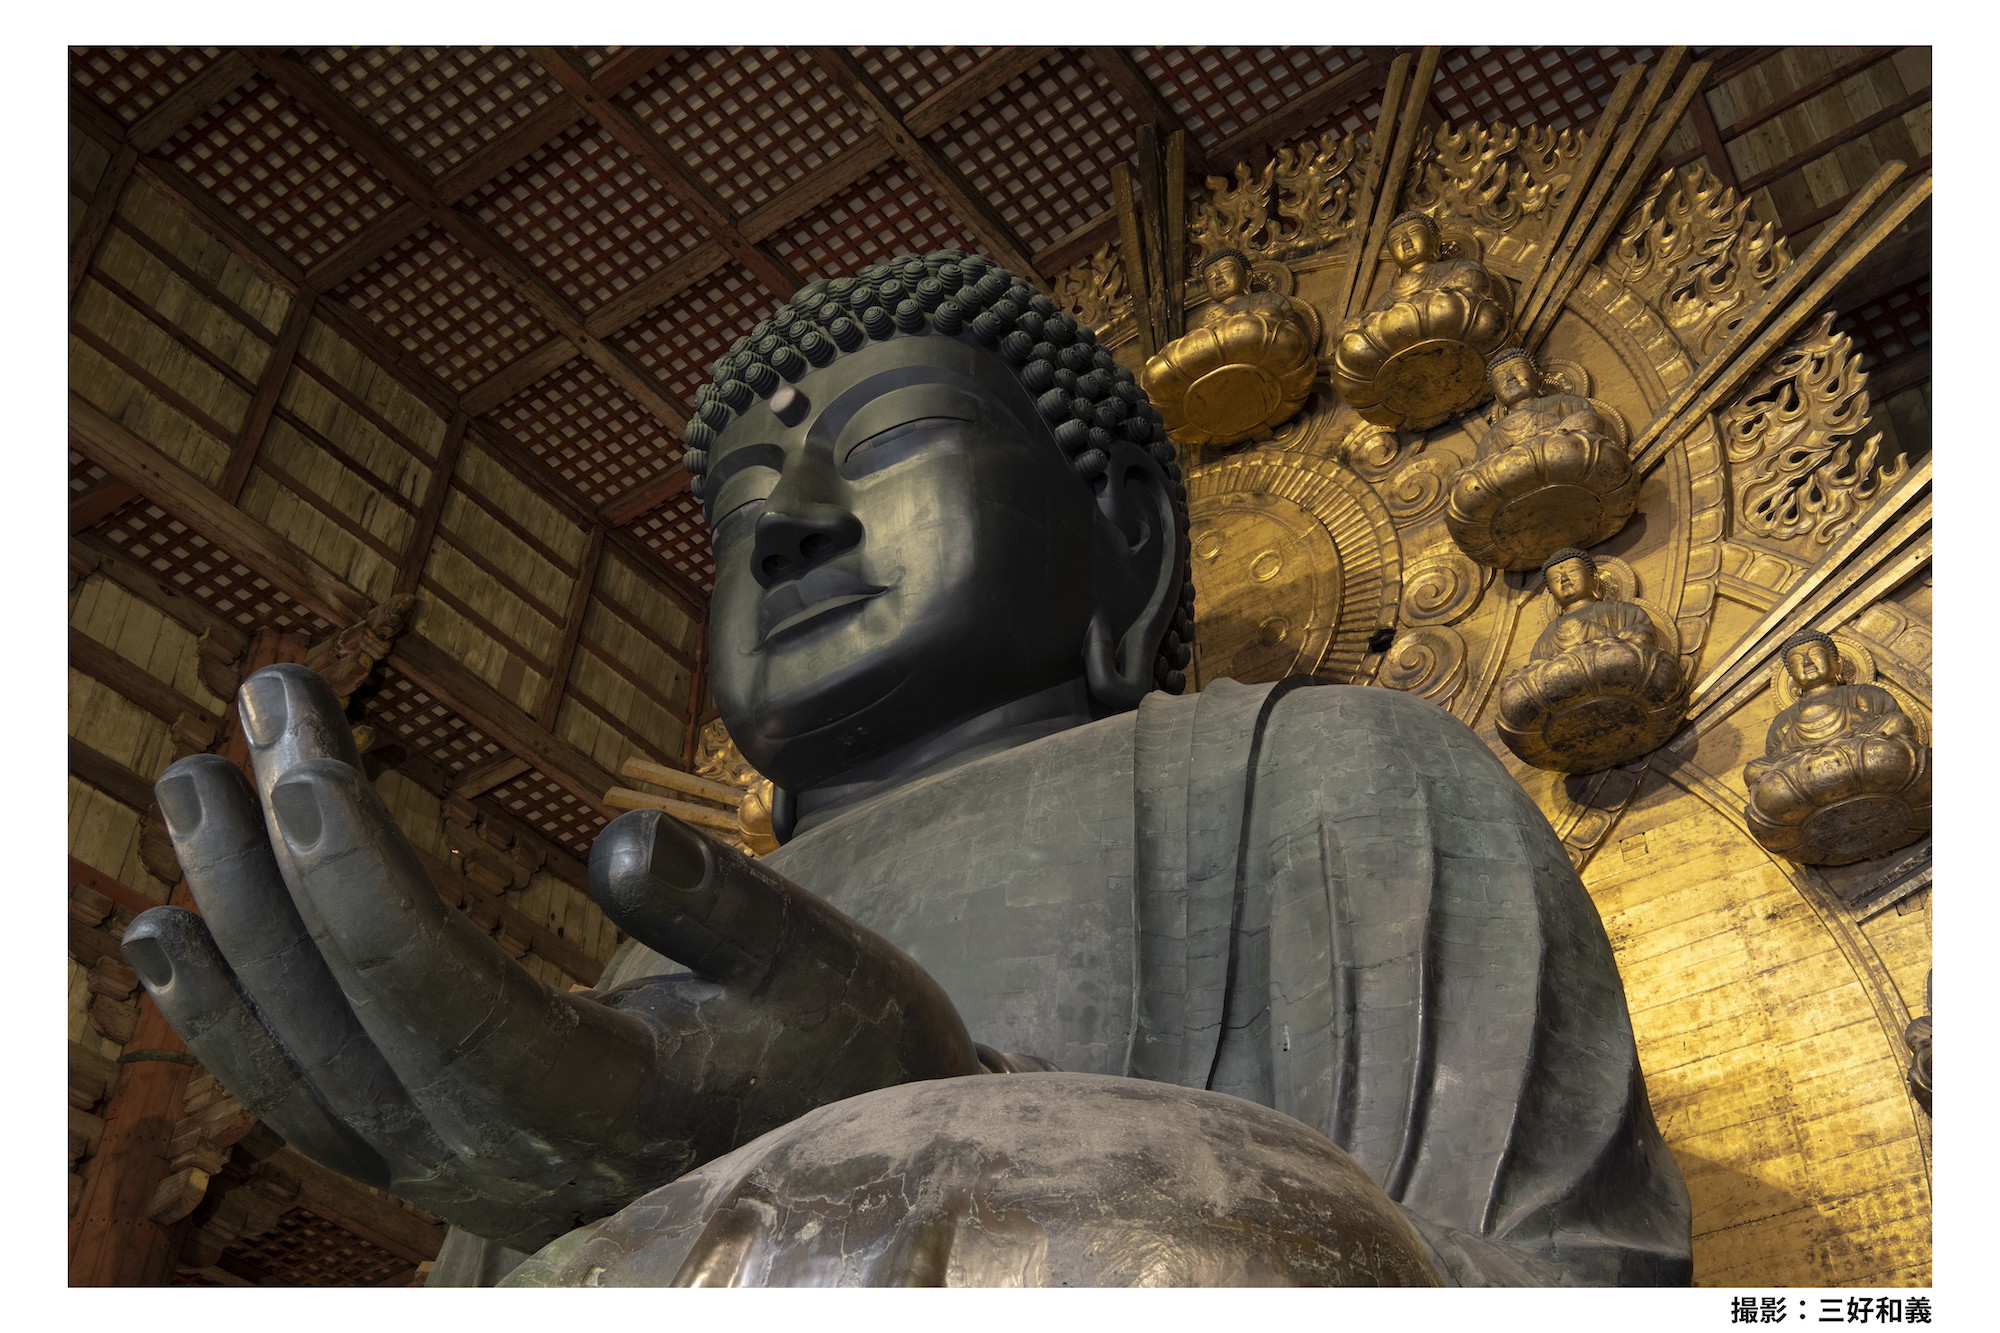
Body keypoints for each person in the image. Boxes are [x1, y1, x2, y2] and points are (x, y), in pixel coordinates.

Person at [126, 251, 1690, 1287]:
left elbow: (1554, 1283)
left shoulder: (1339, 771)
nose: (790, 526)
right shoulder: (645, 962)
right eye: (743, 508)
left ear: (1124, 540)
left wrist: (940, 1123)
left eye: (881, 447)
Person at [1742, 629, 1931, 865]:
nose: (1807, 662)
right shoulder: (1783, 720)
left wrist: (1849, 726)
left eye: (1815, 654)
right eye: (1797, 661)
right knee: (1753, 770)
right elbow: (1776, 764)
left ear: (1837, 665)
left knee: (1897, 722)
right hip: (1812, 773)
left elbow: (1897, 727)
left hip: (1864, 756)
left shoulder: (1865, 694)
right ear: (1792, 679)